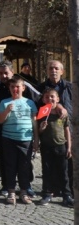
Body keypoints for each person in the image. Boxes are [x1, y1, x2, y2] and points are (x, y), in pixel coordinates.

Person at [0, 60, 36, 196]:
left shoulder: (24, 84)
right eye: (1, 73)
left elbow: (40, 99)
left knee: (25, 161)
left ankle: (26, 186)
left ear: (12, 72)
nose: (3, 76)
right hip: (3, 131)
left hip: (24, 132)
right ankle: (6, 185)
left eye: (6, 73)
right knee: (6, 160)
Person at [0, 76, 38, 205]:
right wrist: (7, 111)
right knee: (10, 166)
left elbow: (34, 122)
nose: (15, 89)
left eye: (18, 87)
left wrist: (36, 138)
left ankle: (24, 192)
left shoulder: (30, 103)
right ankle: (11, 191)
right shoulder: (4, 102)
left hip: (26, 139)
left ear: (23, 88)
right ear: (9, 88)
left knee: (24, 167)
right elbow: (0, 120)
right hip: (9, 139)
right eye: (12, 87)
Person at [36, 60, 73, 190]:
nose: (54, 71)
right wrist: (58, 105)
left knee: (68, 166)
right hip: (48, 132)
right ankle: (50, 191)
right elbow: (37, 108)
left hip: (68, 129)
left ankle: (67, 192)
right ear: (47, 71)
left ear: (62, 71)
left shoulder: (70, 87)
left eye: (57, 68)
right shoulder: (40, 88)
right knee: (49, 166)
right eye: (51, 68)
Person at [37, 88, 73, 207]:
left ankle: (66, 195)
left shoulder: (61, 113)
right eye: (47, 97)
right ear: (43, 99)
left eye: (52, 97)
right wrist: (42, 127)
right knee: (47, 171)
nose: (50, 99)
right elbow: (38, 132)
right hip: (46, 147)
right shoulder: (42, 113)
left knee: (63, 172)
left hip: (61, 146)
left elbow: (67, 130)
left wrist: (69, 147)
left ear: (58, 99)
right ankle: (47, 193)